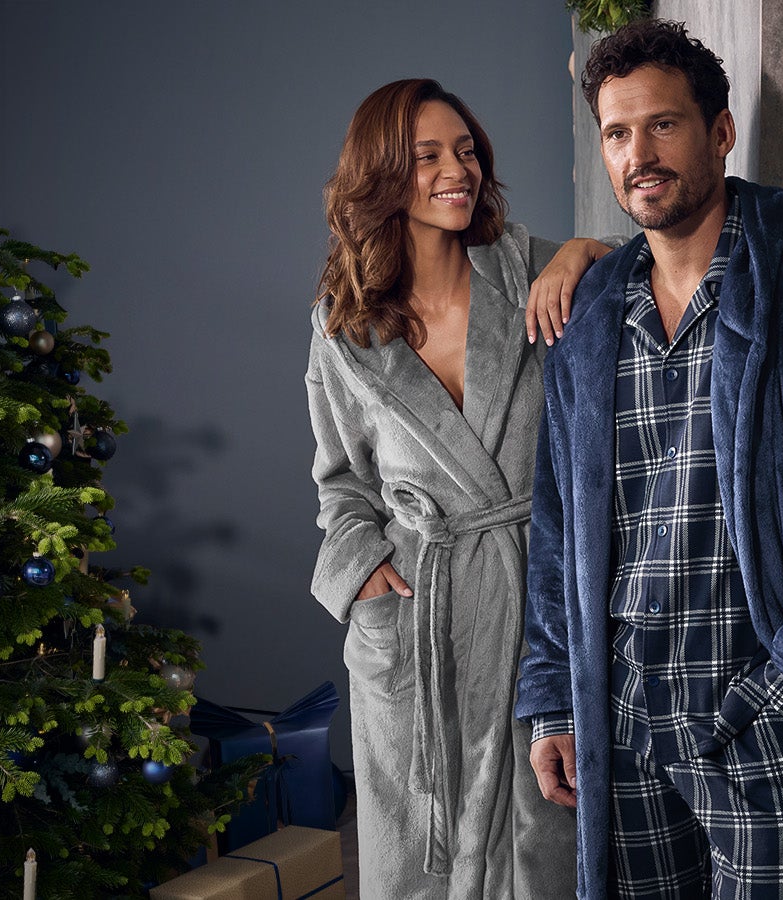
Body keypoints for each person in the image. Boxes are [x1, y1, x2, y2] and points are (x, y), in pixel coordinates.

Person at [513, 19, 783, 900]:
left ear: (722, 132)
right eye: (618, 134)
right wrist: (555, 698)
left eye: (663, 124)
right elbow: (556, 535)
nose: (640, 154)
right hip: (624, 734)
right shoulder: (590, 319)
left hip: (766, 733)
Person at [304, 78, 612, 899]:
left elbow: (653, 267)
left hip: (531, 600)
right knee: (416, 861)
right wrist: (362, 571)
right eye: (428, 155)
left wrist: (582, 251)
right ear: (379, 176)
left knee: (541, 842)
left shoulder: (531, 271)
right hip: (417, 617)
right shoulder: (345, 325)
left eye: (467, 150)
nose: (458, 169)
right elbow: (341, 484)